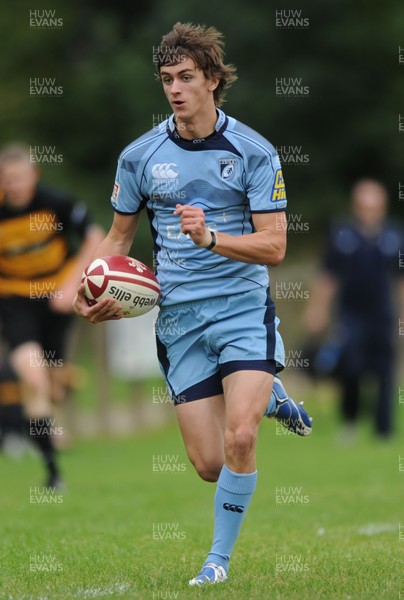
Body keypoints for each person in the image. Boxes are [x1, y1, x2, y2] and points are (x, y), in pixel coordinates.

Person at [73, 22, 312, 586]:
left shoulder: (253, 151)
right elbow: (118, 238)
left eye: (185, 77)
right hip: (179, 320)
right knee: (209, 464)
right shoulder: (139, 157)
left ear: (211, 80)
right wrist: (93, 285)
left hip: (241, 309)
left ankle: (218, 562)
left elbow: (274, 245)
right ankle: (269, 393)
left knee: (240, 438)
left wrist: (212, 239)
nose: (175, 89)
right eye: (166, 79)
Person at [0, 144, 104, 487]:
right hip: (15, 300)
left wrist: (72, 284)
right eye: (7, 179)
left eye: (19, 178)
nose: (14, 185)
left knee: (54, 387)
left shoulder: (55, 203)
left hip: (57, 299)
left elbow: (95, 235)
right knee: (33, 377)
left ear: (34, 176)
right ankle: (52, 471)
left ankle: (55, 399)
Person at [304, 179, 404, 439]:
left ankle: (384, 430)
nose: (369, 212)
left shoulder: (395, 236)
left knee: (385, 371)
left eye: (375, 207)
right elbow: (328, 277)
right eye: (364, 206)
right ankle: (350, 420)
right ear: (355, 207)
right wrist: (318, 310)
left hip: (382, 315)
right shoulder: (342, 235)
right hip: (350, 315)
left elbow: (400, 280)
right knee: (351, 366)